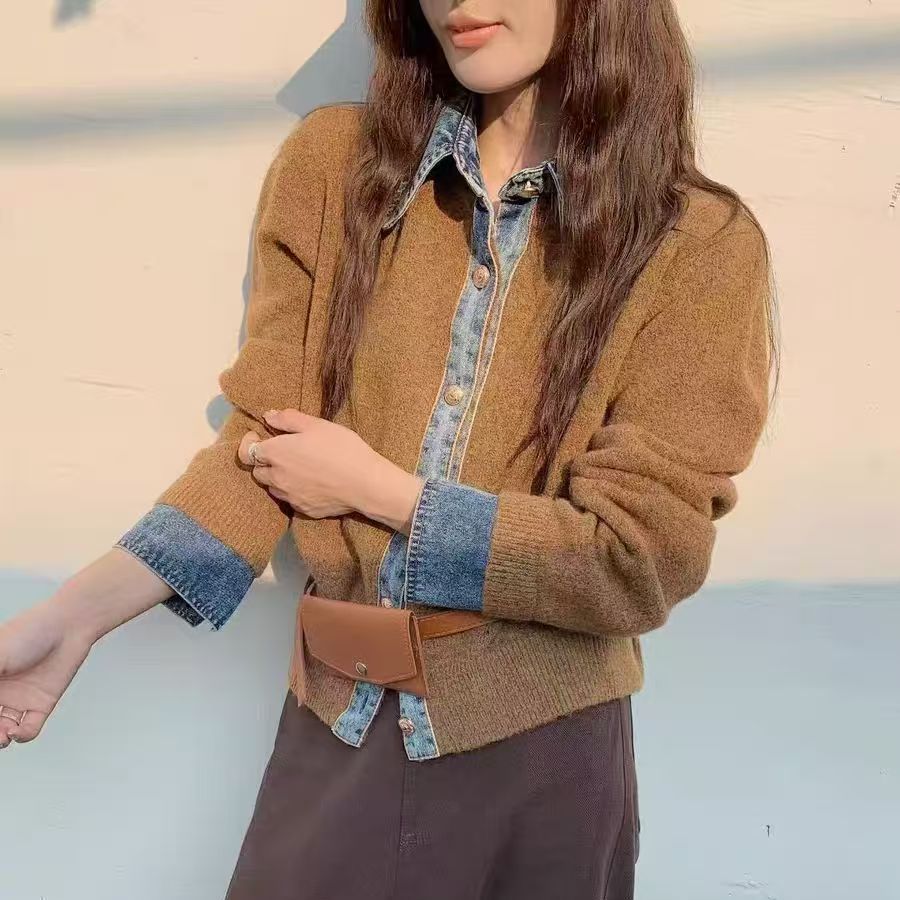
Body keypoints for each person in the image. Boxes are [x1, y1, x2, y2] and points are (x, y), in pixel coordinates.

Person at [0, 1, 779, 898]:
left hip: (543, 762)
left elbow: (637, 559)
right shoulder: (336, 168)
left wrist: (385, 494)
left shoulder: (698, 244)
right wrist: (73, 619)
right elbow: (263, 448)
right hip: (336, 729)